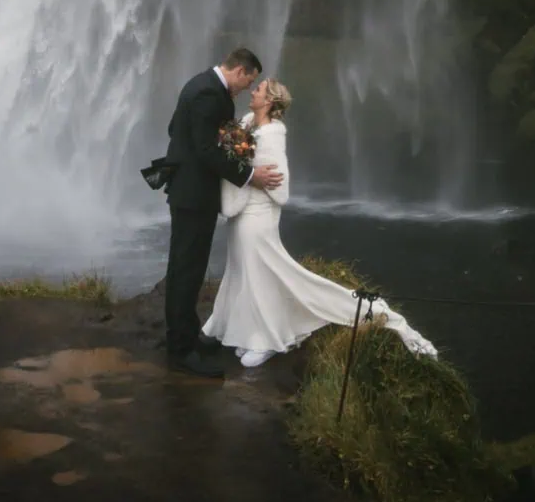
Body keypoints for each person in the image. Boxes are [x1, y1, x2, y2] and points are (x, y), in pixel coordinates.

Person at [203, 77, 437, 366]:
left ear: (270, 101)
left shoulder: (272, 134)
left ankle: (270, 340)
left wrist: (248, 173)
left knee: (261, 275)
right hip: (241, 214)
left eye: (259, 90)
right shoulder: (248, 124)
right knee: (243, 272)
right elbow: (243, 165)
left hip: (258, 216)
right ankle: (247, 332)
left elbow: (278, 185)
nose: (253, 91)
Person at [163, 46, 284, 377]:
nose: (248, 89)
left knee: (184, 267)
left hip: (189, 192)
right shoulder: (210, 94)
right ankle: (181, 351)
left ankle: (184, 337)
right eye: (251, 81)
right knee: (187, 270)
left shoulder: (200, 84)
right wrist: (249, 176)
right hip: (194, 196)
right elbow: (205, 150)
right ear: (240, 71)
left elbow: (175, 129)